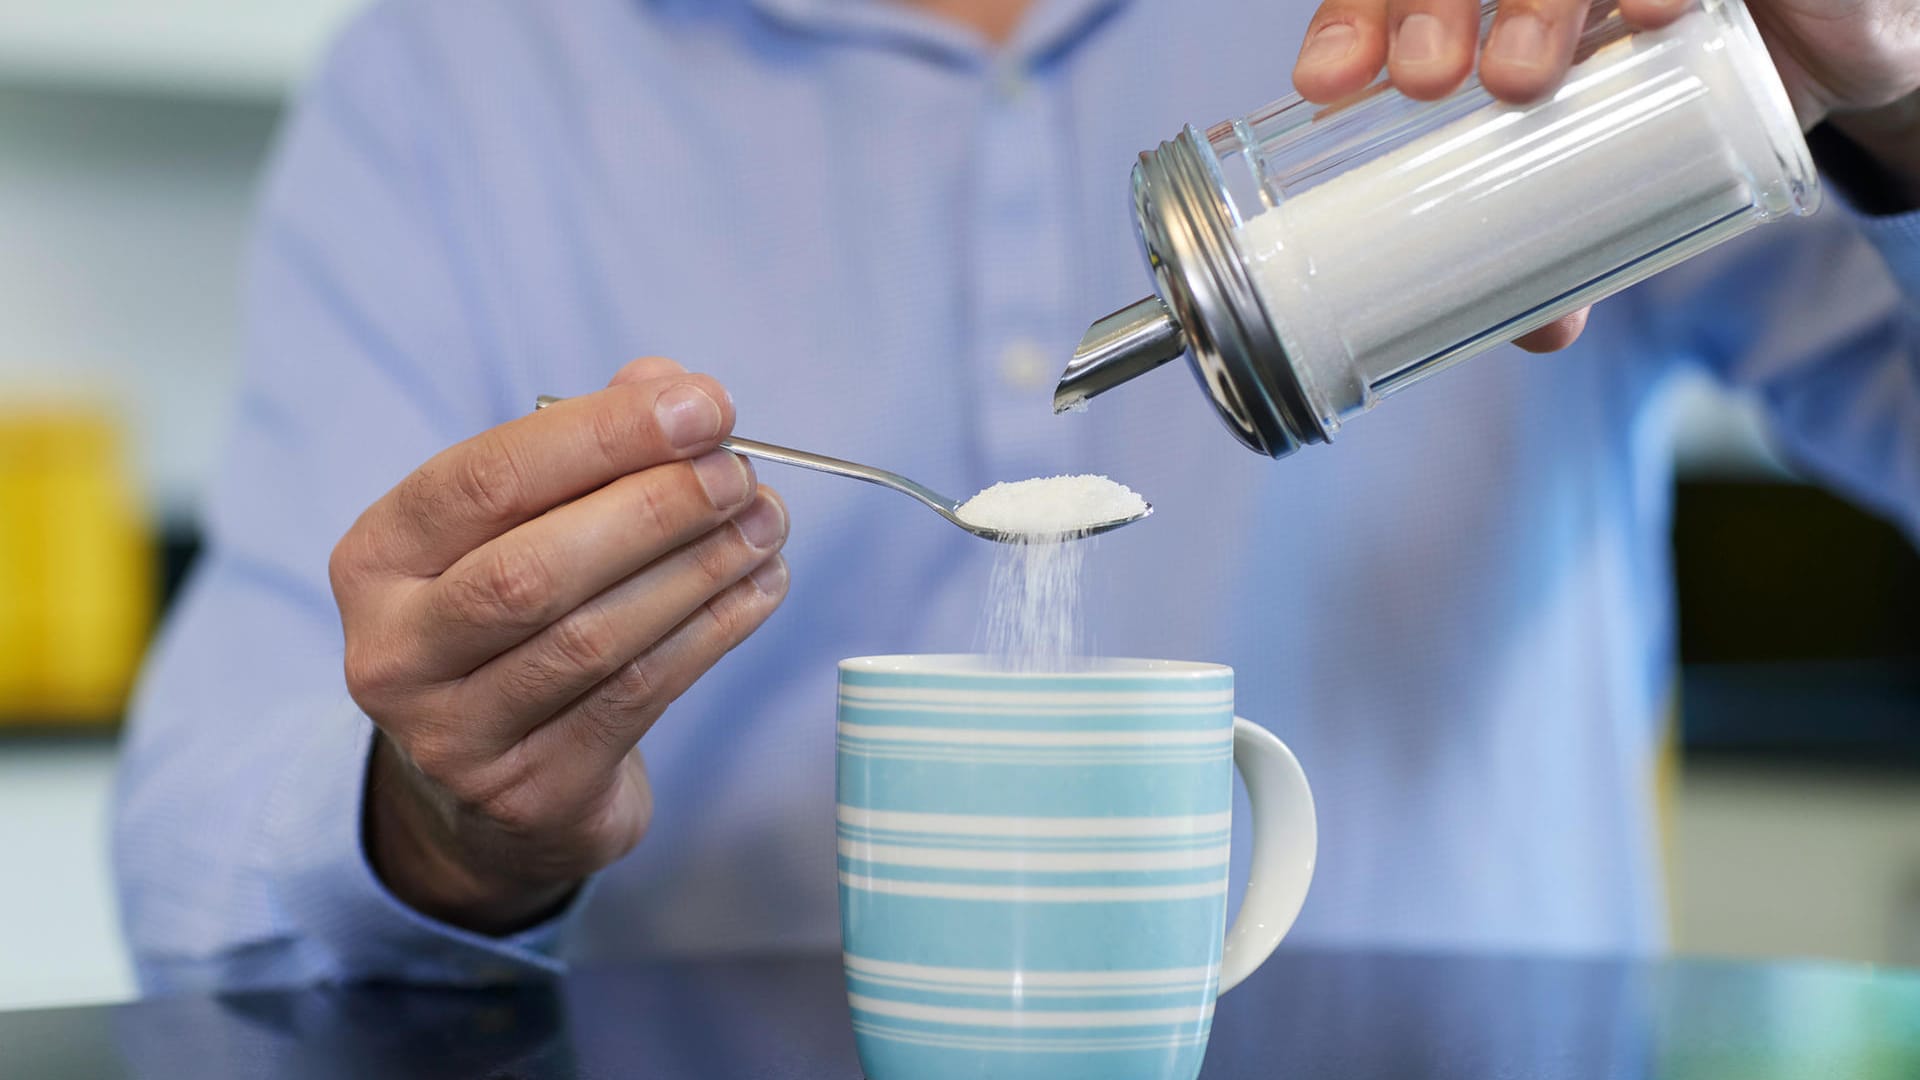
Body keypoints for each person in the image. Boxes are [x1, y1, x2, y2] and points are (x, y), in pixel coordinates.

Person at [115, 0, 1920, 992]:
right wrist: (442, 819)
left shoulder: (1532, 34)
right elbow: (197, 841)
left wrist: (1895, 106)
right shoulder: (465, 72)